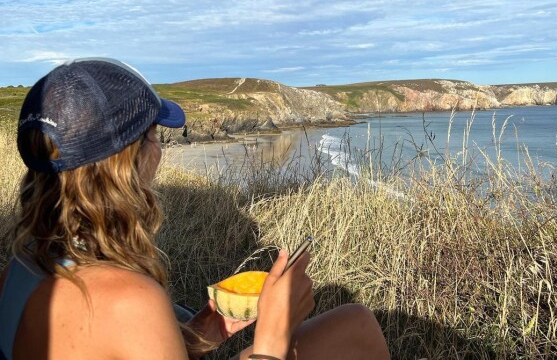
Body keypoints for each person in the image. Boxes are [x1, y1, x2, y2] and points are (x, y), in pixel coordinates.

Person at [0, 58, 390, 360]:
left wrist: (204, 331)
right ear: (129, 160)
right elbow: (115, 323)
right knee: (356, 332)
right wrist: (273, 336)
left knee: (354, 323)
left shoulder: (20, 265)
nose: (160, 149)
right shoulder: (129, 298)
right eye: (155, 135)